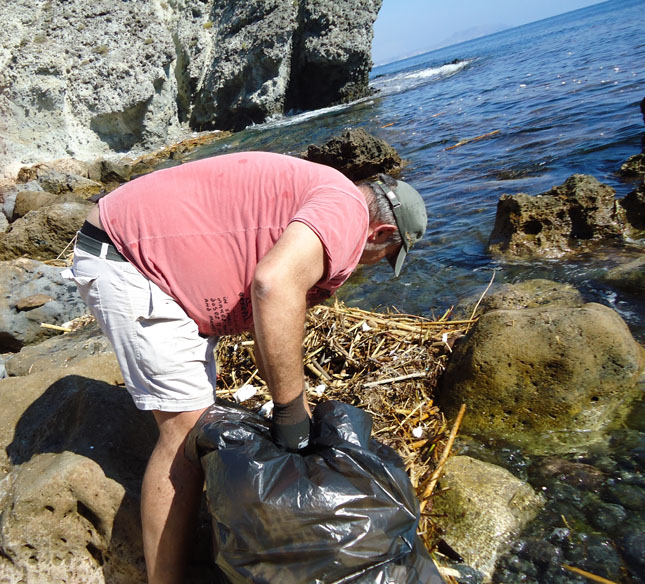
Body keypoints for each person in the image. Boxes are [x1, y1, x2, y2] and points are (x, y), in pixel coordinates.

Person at [68, 150, 427, 584]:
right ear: (383, 232)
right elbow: (272, 285)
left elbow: (271, 321)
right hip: (131, 258)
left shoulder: (330, 197)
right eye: (386, 256)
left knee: (197, 421)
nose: (373, 266)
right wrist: (291, 412)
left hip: (148, 252)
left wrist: (294, 409)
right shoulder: (347, 214)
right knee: (183, 432)